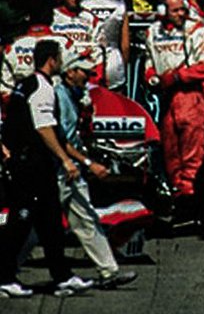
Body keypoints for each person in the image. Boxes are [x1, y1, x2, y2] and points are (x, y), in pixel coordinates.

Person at [0, 39, 95, 297]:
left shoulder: (24, 85)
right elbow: (44, 129)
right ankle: (4, 278)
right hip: (29, 166)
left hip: (34, 165)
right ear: (52, 59)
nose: (62, 62)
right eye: (60, 58)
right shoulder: (42, 88)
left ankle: (62, 276)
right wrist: (65, 159)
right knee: (20, 222)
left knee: (51, 222)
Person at [55, 52, 138, 287]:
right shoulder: (59, 98)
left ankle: (109, 272)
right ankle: (6, 274)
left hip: (70, 170)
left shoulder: (74, 97)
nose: (88, 77)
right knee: (33, 226)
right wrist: (88, 163)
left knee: (87, 219)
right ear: (69, 72)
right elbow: (60, 140)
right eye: (84, 72)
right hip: (58, 169)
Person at [144, 0, 204, 205]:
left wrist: (177, 76)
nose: (180, 14)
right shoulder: (152, 32)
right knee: (171, 152)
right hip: (167, 99)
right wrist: (151, 77)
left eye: (183, 9)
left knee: (192, 153)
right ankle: (178, 195)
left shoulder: (196, 29)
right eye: (175, 10)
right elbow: (149, 63)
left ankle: (191, 199)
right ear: (162, 11)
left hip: (191, 97)